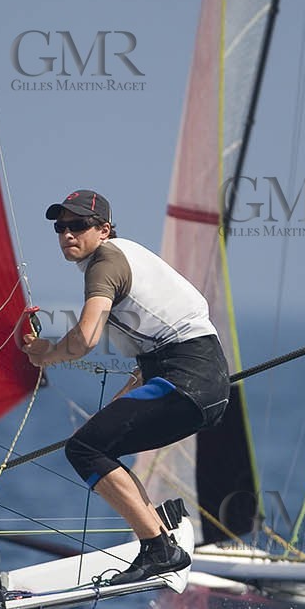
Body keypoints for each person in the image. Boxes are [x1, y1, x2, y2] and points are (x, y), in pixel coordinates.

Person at [20, 189, 230, 585]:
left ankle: (158, 549)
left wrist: (47, 353)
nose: (67, 234)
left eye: (78, 225)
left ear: (104, 229)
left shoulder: (106, 262)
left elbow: (85, 338)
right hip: (195, 379)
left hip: (189, 377)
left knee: (84, 449)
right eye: (60, 227)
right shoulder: (119, 259)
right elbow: (147, 363)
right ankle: (159, 537)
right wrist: (110, 413)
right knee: (98, 443)